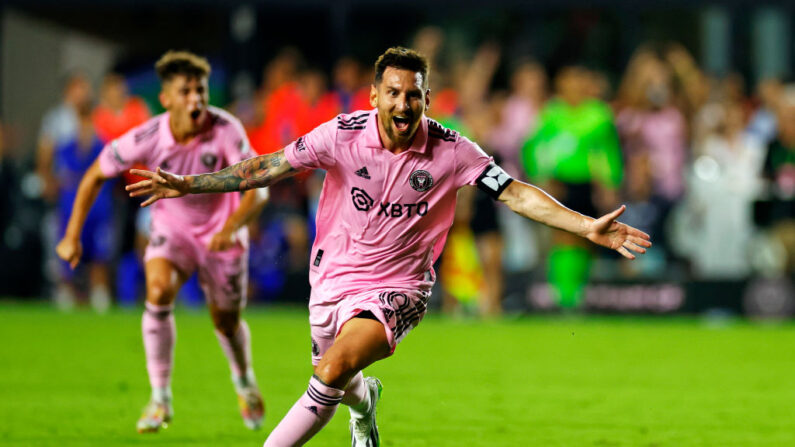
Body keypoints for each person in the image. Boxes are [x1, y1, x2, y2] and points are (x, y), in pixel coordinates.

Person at [127, 47, 651, 447]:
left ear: (426, 97)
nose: (404, 104)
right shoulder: (340, 134)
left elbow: (514, 192)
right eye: (394, 93)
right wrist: (191, 184)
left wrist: (586, 227)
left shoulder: (452, 149)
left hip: (400, 287)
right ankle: (366, 404)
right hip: (331, 277)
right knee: (335, 374)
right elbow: (265, 166)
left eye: (414, 94)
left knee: (331, 371)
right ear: (375, 96)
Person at [55, 51, 269, 433]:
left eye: (200, 90)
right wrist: (71, 236)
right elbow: (93, 175)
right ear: (166, 98)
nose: (196, 99)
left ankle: (244, 380)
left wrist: (233, 224)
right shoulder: (148, 136)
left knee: (226, 321)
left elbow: (259, 188)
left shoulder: (226, 129)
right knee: (157, 290)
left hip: (223, 234)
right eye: (185, 91)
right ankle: (160, 398)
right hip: (172, 232)